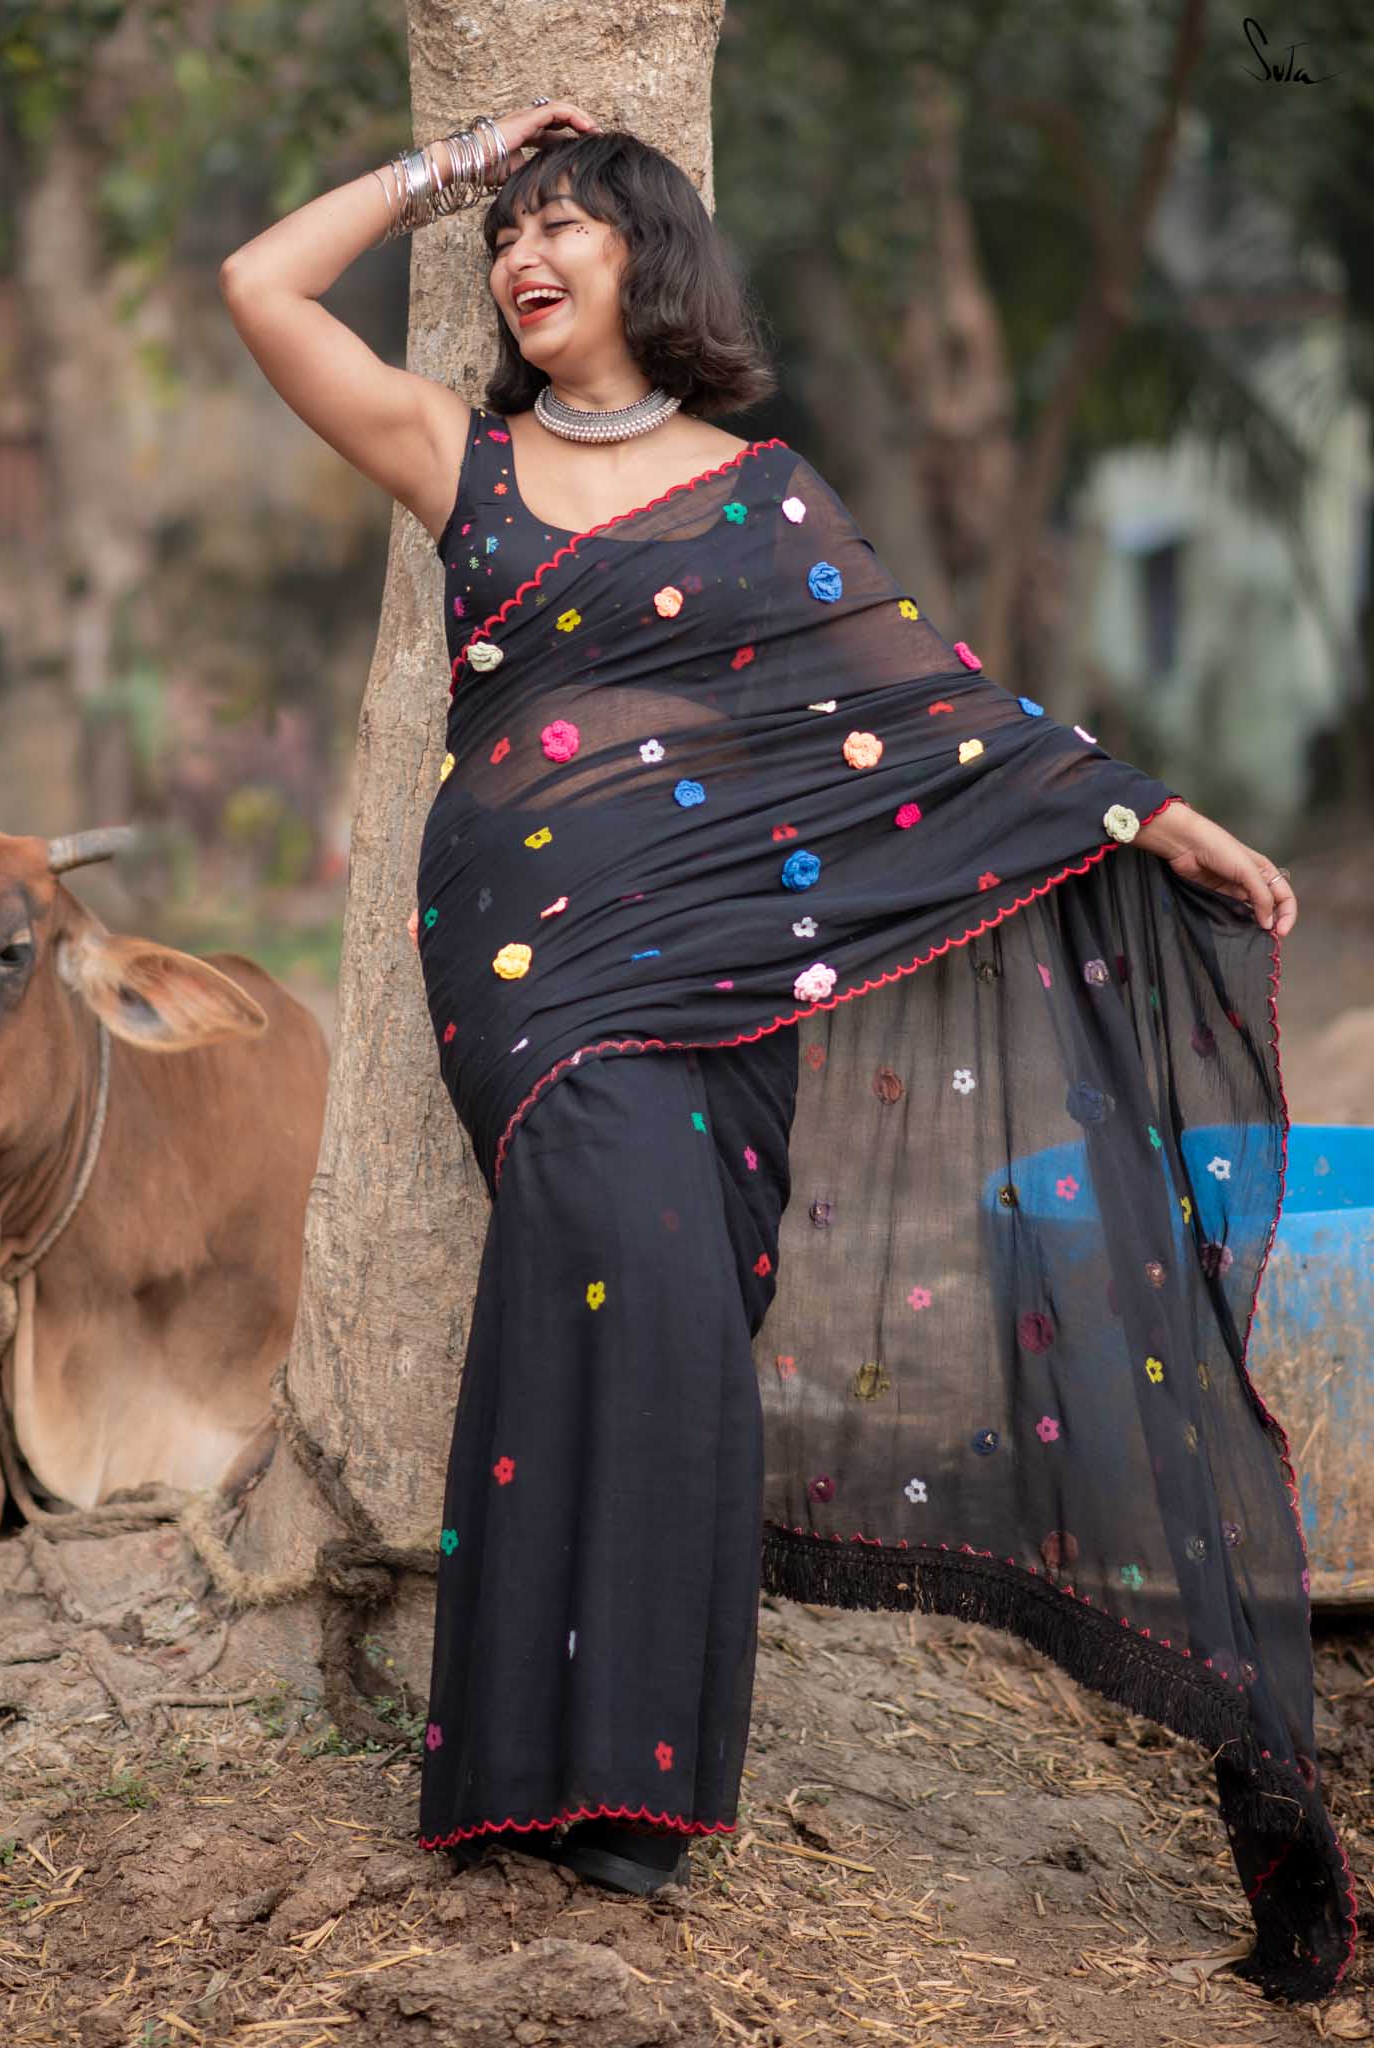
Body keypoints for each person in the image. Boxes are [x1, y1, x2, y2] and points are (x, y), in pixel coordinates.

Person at [220, 105, 1354, 1999]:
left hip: (727, 976)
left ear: (651, 260)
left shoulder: (766, 495)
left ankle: (632, 1789)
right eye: (510, 236)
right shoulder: (460, 459)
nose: (526, 255)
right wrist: (456, 162)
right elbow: (260, 285)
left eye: (566, 226)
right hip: (537, 971)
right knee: (613, 1252)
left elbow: (944, 715)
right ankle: (532, 1768)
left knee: (672, 1315)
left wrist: (1158, 818)